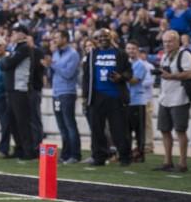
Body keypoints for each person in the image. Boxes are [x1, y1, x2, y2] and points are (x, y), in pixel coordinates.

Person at [81, 29, 132, 166]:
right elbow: (86, 77)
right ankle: (99, 157)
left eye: (105, 36)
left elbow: (129, 72)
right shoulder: (91, 54)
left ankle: (125, 157)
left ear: (111, 37)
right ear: (95, 40)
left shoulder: (120, 53)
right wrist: (85, 96)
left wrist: (121, 77)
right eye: (99, 37)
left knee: (119, 129)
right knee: (97, 129)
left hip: (116, 96)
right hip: (96, 96)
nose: (102, 39)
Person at [155, 30, 191, 172]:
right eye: (165, 41)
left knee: (180, 131)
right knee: (164, 130)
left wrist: (171, 76)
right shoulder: (165, 56)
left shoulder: (184, 54)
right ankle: (167, 161)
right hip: (165, 98)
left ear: (177, 41)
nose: (166, 44)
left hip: (179, 97)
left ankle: (183, 163)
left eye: (170, 41)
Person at [0, 25, 35, 159]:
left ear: (23, 34)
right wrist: (5, 60)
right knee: (12, 121)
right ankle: (19, 148)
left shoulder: (24, 48)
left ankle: (28, 150)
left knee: (22, 121)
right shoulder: (15, 48)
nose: (12, 34)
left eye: (15, 32)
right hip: (12, 89)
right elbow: (3, 64)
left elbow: (7, 64)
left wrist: (5, 60)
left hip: (20, 88)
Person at [46, 30, 81, 164]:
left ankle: (75, 154)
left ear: (65, 38)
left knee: (69, 124)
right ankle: (65, 154)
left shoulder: (73, 54)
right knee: (62, 126)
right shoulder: (55, 53)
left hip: (67, 92)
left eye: (57, 37)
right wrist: (48, 67)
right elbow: (53, 74)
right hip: (56, 93)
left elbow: (68, 74)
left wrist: (53, 65)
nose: (55, 39)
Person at [125, 41, 150, 163]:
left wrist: (122, 77)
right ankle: (128, 153)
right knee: (127, 130)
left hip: (137, 101)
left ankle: (140, 154)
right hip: (127, 101)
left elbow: (134, 80)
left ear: (137, 50)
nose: (131, 51)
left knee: (139, 131)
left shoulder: (141, 64)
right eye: (129, 48)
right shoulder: (126, 64)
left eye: (133, 48)